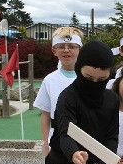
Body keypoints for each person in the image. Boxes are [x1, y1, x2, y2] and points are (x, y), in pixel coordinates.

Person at [45, 40, 119, 164]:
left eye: (102, 80)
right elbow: (66, 132)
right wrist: (74, 153)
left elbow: (111, 137)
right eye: (88, 78)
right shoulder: (68, 97)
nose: (94, 84)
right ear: (78, 69)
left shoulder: (112, 99)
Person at [33, 27, 84, 156]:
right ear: (54, 51)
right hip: (56, 140)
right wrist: (45, 144)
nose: (66, 50)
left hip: (84, 139)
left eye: (72, 46)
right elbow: (45, 114)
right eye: (61, 46)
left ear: (80, 49)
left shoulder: (88, 78)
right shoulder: (49, 80)